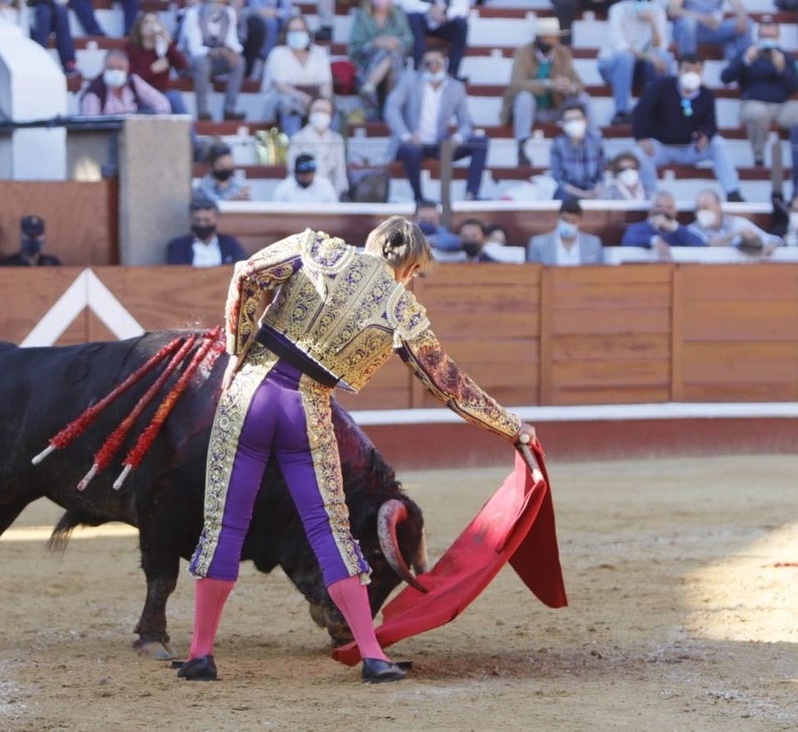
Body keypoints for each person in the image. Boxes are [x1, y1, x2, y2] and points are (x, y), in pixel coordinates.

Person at [177, 215, 535, 683]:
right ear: (408, 267)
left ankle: (201, 654)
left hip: (249, 393)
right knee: (330, 532)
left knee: (225, 524)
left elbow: (246, 273)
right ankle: (371, 656)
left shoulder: (315, 249)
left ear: (373, 241)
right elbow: (450, 386)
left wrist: (237, 351)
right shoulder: (401, 308)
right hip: (306, 409)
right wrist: (514, 428)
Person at [631, 54, 744, 203]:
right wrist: (642, 138)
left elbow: (711, 125)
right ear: (678, 71)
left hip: (689, 149)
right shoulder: (662, 86)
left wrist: (705, 136)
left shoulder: (706, 94)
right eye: (687, 70)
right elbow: (641, 111)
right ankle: (652, 197)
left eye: (697, 71)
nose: (692, 74)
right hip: (661, 148)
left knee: (718, 143)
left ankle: (733, 192)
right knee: (638, 154)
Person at [385, 47, 488, 205]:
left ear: (445, 63)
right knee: (411, 151)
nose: (432, 67)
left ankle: (471, 194)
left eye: (437, 63)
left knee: (480, 142)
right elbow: (391, 108)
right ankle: (419, 198)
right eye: (428, 63)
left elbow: (466, 121)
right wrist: (406, 135)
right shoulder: (410, 80)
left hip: (440, 143)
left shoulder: (455, 87)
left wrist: (458, 138)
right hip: (413, 142)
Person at [503, 17, 594, 167]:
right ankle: (521, 146)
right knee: (524, 97)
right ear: (537, 38)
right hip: (532, 110)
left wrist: (568, 86)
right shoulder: (523, 53)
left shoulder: (563, 53)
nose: (549, 41)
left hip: (557, 107)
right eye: (545, 37)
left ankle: (594, 141)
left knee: (583, 98)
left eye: (552, 37)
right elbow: (517, 84)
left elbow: (579, 85)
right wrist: (548, 84)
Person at [719, 18, 798, 168]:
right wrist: (745, 60)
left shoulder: (785, 57)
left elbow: (794, 88)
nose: (768, 30)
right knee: (756, 113)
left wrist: (782, 69)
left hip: (782, 106)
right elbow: (725, 77)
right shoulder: (746, 53)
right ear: (758, 33)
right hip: (754, 102)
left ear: (778, 34)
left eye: (771, 27)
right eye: (765, 27)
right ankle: (759, 158)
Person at [597, 0, 675, 126]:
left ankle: (661, 109)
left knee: (665, 58)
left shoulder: (657, 11)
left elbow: (660, 46)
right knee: (626, 58)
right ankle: (621, 112)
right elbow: (620, 46)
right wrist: (650, 58)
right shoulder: (618, 9)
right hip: (613, 66)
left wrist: (652, 23)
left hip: (640, 67)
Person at [261, 17, 334, 136]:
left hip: (315, 98)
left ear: (307, 33)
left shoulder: (320, 53)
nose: (297, 34)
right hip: (286, 98)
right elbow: (281, 86)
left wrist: (323, 102)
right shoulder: (278, 53)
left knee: (330, 108)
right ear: (286, 33)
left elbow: (326, 83)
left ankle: (329, 146)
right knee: (290, 105)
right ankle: (294, 143)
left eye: (301, 30)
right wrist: (302, 97)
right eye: (293, 31)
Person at [179, 0, 246, 122]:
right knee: (203, 62)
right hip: (189, 63)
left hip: (213, 61)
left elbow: (232, 41)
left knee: (239, 61)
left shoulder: (228, 13)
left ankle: (229, 110)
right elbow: (195, 49)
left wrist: (232, 52)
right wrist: (220, 52)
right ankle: (202, 112)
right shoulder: (193, 14)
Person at [348, 0, 413, 116]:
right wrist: (375, 43)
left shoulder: (398, 15)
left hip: (395, 64)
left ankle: (371, 84)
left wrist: (396, 41)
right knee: (389, 54)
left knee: (392, 54)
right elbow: (355, 48)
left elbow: (409, 41)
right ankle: (392, 110)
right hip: (368, 63)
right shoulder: (362, 16)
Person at [126, 11, 190, 116]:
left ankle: (189, 133)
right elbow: (130, 79)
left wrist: (168, 42)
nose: (152, 25)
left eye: (155, 21)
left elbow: (182, 65)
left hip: (163, 92)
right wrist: (152, 70)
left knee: (175, 97)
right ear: (140, 28)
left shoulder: (163, 47)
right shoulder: (131, 49)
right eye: (147, 22)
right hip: (141, 95)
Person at [286, 97, 349, 200]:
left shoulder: (337, 139)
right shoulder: (297, 138)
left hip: (330, 194)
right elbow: (292, 171)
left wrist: (340, 194)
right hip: (303, 194)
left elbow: (340, 173)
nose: (320, 114)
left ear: (331, 115)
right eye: (317, 111)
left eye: (324, 111)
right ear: (309, 113)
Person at [79, 49, 172, 116]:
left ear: (127, 70)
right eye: (111, 68)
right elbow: (91, 125)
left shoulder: (133, 82)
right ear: (103, 69)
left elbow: (162, 104)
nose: (115, 71)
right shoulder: (93, 92)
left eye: (120, 68)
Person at [688, 188, 781, 252]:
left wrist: (770, 246)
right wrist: (733, 234)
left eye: (705, 207)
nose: (701, 211)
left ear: (718, 207)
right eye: (698, 208)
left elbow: (772, 239)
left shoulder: (738, 223)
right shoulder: (692, 230)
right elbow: (709, 246)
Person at [622, 190, 706, 256]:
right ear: (651, 210)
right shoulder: (638, 228)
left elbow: (701, 244)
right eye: (659, 206)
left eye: (669, 207)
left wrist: (674, 228)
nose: (664, 210)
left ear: (675, 212)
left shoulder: (681, 230)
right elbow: (627, 241)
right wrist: (654, 241)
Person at [165, 197, 247, 266]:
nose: (202, 224)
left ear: (216, 219)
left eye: (207, 220)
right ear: (191, 220)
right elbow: (176, 275)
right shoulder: (178, 247)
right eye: (198, 220)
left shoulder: (230, 245)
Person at [549, 102, 605, 201]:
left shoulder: (596, 141)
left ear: (586, 120)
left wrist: (597, 189)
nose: (573, 123)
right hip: (569, 192)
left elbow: (602, 172)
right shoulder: (558, 143)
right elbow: (557, 177)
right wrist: (581, 194)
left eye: (577, 119)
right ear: (563, 124)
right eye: (569, 120)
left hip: (593, 190)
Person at [401, 0, 469, 80]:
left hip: (444, 21)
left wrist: (446, 14)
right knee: (413, 17)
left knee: (461, 24)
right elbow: (405, 3)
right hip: (421, 18)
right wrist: (429, 9)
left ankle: (452, 75)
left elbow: (462, 7)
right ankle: (418, 73)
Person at [527, 198, 604, 265]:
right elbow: (533, 276)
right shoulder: (538, 244)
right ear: (558, 218)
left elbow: (599, 274)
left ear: (580, 222)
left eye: (573, 221)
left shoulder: (593, 244)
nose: (569, 224)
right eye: (565, 220)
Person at [668, 0, 750, 62]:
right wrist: (703, 18)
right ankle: (688, 66)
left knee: (748, 23)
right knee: (689, 23)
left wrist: (741, 17)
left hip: (711, 30)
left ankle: (745, 66)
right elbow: (673, 10)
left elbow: (737, 4)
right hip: (687, 31)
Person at [28, 0, 80, 77]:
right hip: (35, 6)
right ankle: (39, 60)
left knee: (62, 11)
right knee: (44, 13)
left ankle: (68, 62)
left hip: (53, 5)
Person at [272, 153, 339, 203]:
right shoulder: (284, 188)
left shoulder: (325, 185)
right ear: (296, 173)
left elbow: (335, 209)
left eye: (309, 173)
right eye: (303, 174)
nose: (307, 176)